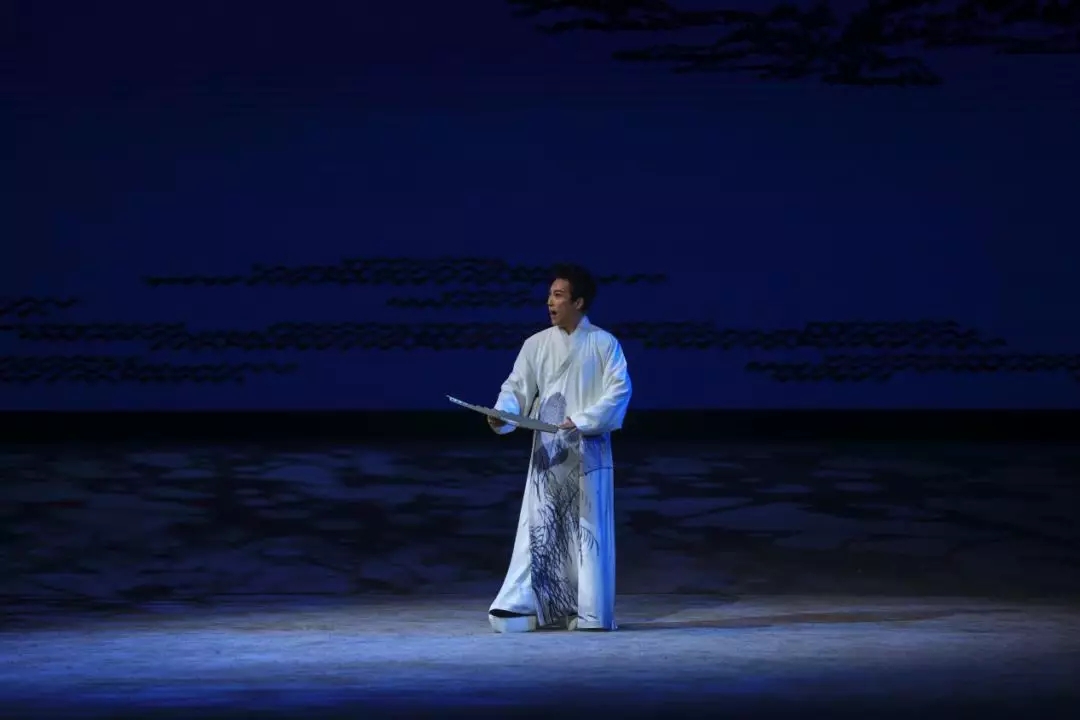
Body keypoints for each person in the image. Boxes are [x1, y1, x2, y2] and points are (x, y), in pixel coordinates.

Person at [486, 263, 632, 632]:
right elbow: (516, 388)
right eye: (550, 295)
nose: (550, 302)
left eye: (558, 295)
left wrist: (581, 420)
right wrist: (502, 415)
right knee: (540, 524)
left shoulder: (604, 344)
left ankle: (587, 609)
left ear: (578, 302)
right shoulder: (535, 345)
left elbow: (619, 392)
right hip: (548, 453)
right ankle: (525, 603)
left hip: (587, 450)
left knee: (587, 529)